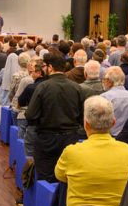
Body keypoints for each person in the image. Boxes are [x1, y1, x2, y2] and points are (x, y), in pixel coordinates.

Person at [26, 52, 88, 180]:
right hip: (70, 138)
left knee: (45, 178)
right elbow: (83, 115)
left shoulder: (43, 87)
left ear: (50, 67)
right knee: (67, 177)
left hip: (46, 138)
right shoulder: (76, 87)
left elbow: (31, 115)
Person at [99, 65, 128, 135]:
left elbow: (100, 122)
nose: (103, 81)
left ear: (109, 81)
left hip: (111, 138)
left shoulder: (104, 97)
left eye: (104, 79)